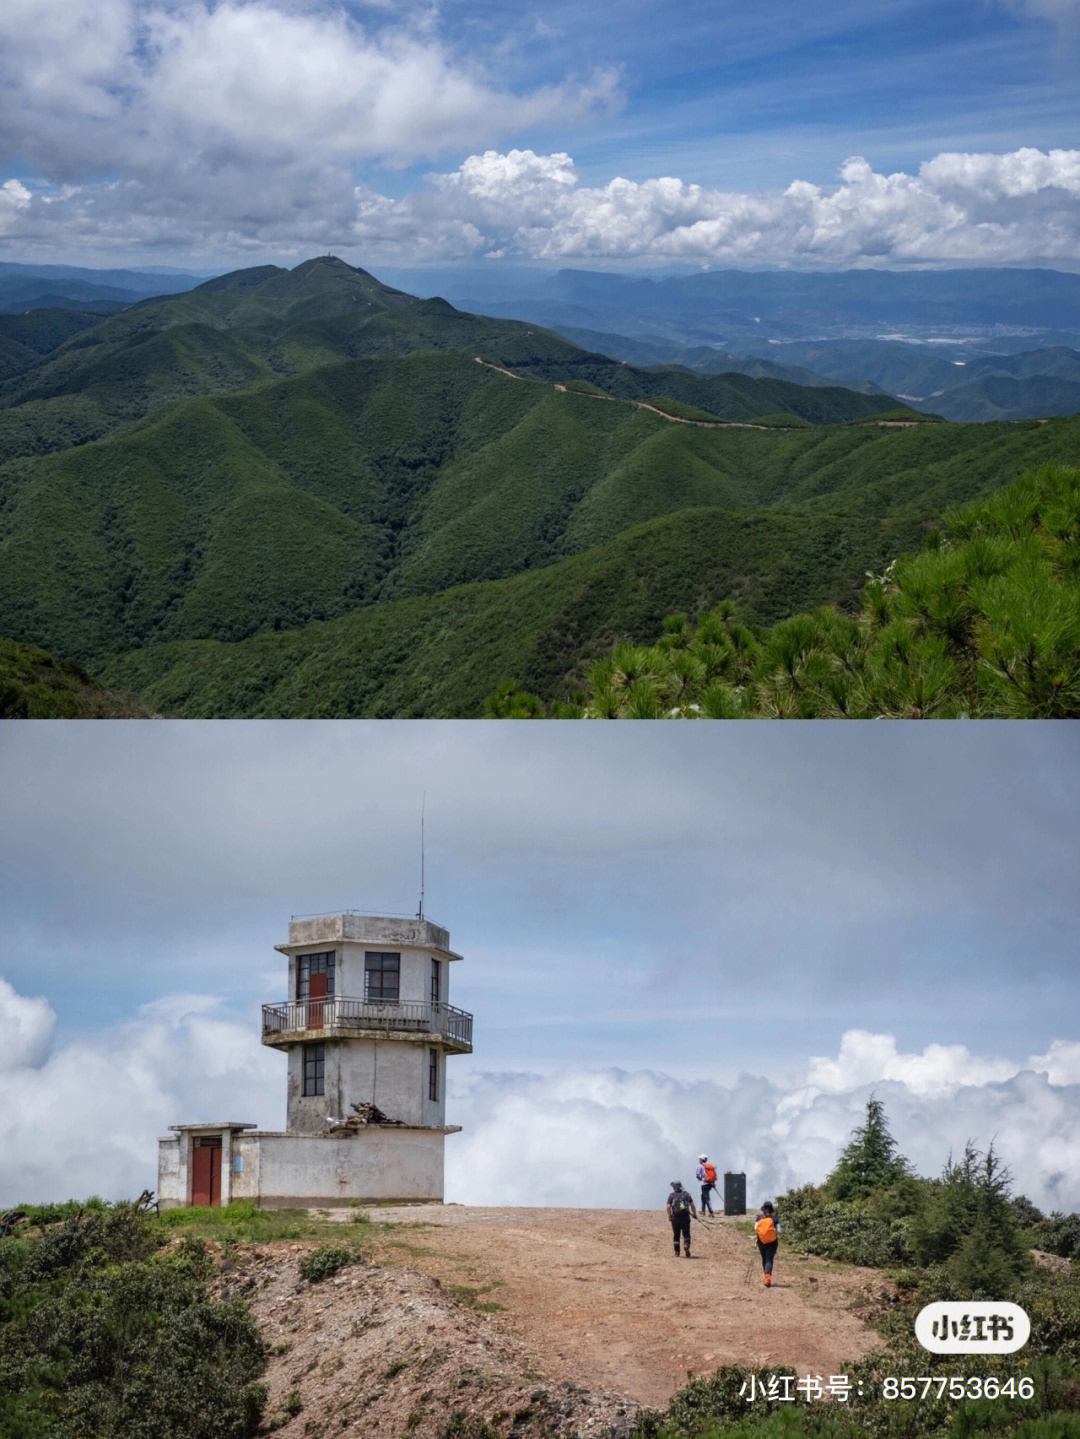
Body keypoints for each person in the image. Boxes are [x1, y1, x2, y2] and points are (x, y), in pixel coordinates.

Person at [666, 1180, 698, 1258]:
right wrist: (694, 1214)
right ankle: (686, 1245)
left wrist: (670, 1216)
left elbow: (668, 1207)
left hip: (675, 1218)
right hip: (685, 1217)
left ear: (674, 1187)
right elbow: (692, 1205)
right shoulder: (687, 1194)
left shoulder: (671, 1195)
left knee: (676, 1235)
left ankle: (677, 1252)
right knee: (686, 1234)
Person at [754, 1200, 780, 1286]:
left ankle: (766, 1277)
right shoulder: (774, 1217)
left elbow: (755, 1228)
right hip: (772, 1242)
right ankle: (767, 1278)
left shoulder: (759, 1217)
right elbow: (779, 1230)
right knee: (769, 1259)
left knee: (764, 1259)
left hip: (761, 1241)